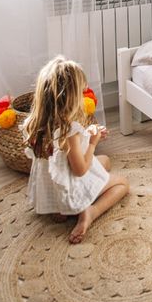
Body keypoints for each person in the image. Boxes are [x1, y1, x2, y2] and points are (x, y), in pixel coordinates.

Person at [23, 56, 129, 244]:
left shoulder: (37, 125)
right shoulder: (69, 130)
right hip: (71, 189)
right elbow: (80, 170)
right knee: (122, 184)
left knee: (104, 161)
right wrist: (93, 142)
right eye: (81, 93)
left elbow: (58, 158)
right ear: (70, 99)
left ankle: (59, 210)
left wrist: (86, 135)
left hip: (51, 192)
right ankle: (90, 212)